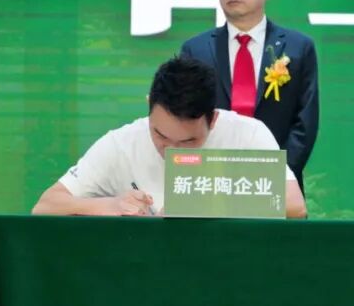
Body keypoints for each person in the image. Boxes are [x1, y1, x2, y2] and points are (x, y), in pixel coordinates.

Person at [32, 57, 306, 218]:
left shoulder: (248, 134)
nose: (171, 150)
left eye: (188, 142)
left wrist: (194, 204)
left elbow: (295, 206)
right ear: (149, 105)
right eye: (160, 135)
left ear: (213, 119)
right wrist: (109, 205)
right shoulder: (121, 144)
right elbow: (45, 207)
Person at [181, 0, 319, 192]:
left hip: (277, 185)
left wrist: (277, 176)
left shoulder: (298, 48)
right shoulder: (195, 50)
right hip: (210, 184)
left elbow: (304, 125)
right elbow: (185, 120)